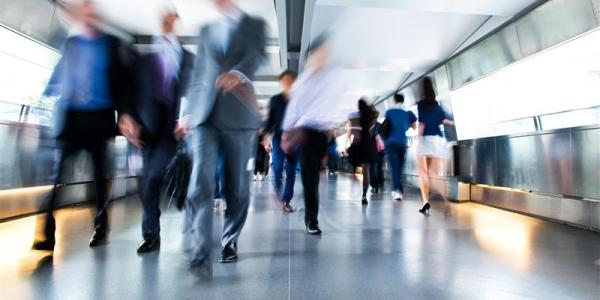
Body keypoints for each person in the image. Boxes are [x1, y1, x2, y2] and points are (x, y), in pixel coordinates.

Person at [31, 0, 135, 251]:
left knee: (100, 178)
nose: (87, 18)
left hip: (99, 118)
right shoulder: (72, 45)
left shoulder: (110, 44)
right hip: (73, 119)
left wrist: (125, 115)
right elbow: (58, 77)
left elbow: (122, 84)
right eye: (83, 14)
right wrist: (45, 97)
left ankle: (100, 228)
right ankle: (46, 230)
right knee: (60, 176)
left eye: (91, 14)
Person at [175, 0, 266, 269]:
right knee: (200, 180)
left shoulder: (254, 25)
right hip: (205, 117)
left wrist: (237, 74)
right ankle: (200, 247)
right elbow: (198, 75)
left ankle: (229, 240)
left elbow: (256, 55)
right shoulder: (206, 30)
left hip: (238, 117)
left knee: (236, 185)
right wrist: (186, 111)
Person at [120, 8, 194, 253]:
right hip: (144, 129)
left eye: (172, 18)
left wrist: (187, 115)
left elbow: (197, 90)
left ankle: (177, 206)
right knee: (147, 183)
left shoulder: (190, 60)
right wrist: (127, 116)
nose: (166, 23)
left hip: (172, 127)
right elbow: (129, 94)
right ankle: (151, 234)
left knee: (154, 177)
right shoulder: (143, 61)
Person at [281, 34, 346, 235]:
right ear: (312, 56)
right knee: (311, 179)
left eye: (326, 54)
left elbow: (335, 104)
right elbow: (293, 109)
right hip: (305, 133)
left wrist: (334, 125)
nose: (324, 58)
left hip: (322, 135)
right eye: (321, 54)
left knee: (314, 178)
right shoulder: (303, 82)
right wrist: (286, 134)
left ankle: (311, 214)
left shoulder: (330, 80)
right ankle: (312, 220)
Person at [416, 77, 454, 214]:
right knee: (435, 174)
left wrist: (419, 140)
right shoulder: (437, 105)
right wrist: (452, 123)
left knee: (423, 173)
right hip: (438, 140)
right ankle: (446, 200)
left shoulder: (421, 104)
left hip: (426, 138)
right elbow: (443, 120)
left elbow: (422, 123)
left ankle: (425, 201)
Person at [263, 70, 298, 213]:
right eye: (285, 81)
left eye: (290, 80)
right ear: (281, 84)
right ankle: (278, 190)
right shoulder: (275, 100)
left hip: (295, 138)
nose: (288, 83)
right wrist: (266, 136)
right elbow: (270, 121)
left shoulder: (299, 99)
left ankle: (286, 200)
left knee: (291, 170)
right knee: (277, 167)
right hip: (278, 137)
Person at [383, 93, 416, 201]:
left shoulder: (389, 112)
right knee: (399, 167)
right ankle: (398, 190)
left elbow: (386, 127)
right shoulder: (407, 114)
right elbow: (414, 127)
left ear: (394, 100)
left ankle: (396, 190)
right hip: (402, 143)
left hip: (391, 143)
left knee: (394, 167)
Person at [347, 99, 379, 205]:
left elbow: (354, 131)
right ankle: (364, 195)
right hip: (369, 145)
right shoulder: (371, 116)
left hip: (359, 145)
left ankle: (354, 176)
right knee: (366, 172)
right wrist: (370, 106)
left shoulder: (354, 116)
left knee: (354, 164)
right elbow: (376, 112)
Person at [369, 122, 385, 194]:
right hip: (381, 149)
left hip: (372, 149)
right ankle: (380, 183)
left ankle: (375, 186)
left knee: (372, 167)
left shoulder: (367, 126)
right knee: (379, 167)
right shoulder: (380, 125)